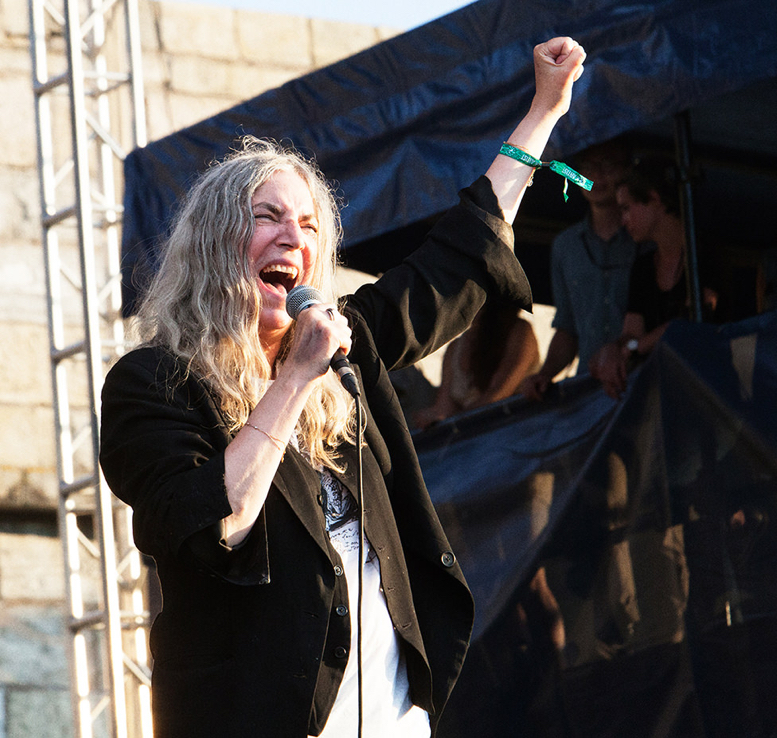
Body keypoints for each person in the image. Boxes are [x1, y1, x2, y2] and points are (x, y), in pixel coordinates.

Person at [98, 37, 586, 738]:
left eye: (306, 225)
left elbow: (458, 258)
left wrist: (541, 112)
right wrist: (295, 377)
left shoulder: (346, 357)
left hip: (391, 720)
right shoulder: (154, 384)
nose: (290, 238)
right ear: (212, 244)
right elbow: (217, 523)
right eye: (265, 217)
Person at [519, 138, 641, 401]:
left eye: (608, 164)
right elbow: (568, 328)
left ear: (627, 169)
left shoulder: (644, 239)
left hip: (642, 380)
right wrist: (545, 373)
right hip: (588, 393)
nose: (596, 175)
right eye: (588, 165)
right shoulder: (565, 246)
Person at [589, 154, 718, 399]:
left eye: (627, 208)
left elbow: (692, 321)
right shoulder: (644, 266)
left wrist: (634, 347)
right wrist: (614, 349)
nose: (623, 220)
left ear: (654, 198)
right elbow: (631, 331)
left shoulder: (705, 254)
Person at [414, 305, 539, 429]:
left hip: (513, 429)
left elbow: (499, 394)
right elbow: (445, 405)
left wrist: (454, 418)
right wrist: (432, 416)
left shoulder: (519, 331)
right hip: (474, 435)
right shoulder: (455, 347)